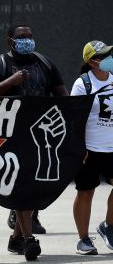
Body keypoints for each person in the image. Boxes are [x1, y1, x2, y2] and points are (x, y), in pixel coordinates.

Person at [0, 23, 68, 261]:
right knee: (21, 185)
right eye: (22, 37)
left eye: (30, 36)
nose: (27, 40)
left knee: (33, 185)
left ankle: (16, 238)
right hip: (10, 135)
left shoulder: (45, 62)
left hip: (41, 134)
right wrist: (10, 82)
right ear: (10, 41)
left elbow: (62, 95)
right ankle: (28, 239)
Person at [71, 40, 113, 255]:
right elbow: (74, 119)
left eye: (109, 54)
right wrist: (79, 148)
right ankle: (84, 239)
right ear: (92, 61)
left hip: (112, 147)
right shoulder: (82, 84)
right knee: (86, 192)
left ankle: (108, 226)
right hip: (90, 149)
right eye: (104, 56)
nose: (109, 59)